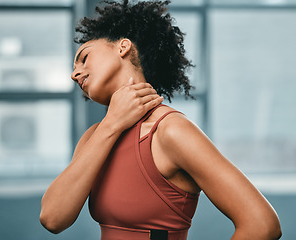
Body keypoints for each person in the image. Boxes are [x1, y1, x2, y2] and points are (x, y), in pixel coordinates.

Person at [40, 1, 282, 239]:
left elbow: (262, 225)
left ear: (123, 47)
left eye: (83, 57)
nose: (74, 74)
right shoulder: (95, 136)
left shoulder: (170, 131)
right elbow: (53, 219)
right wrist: (111, 124)